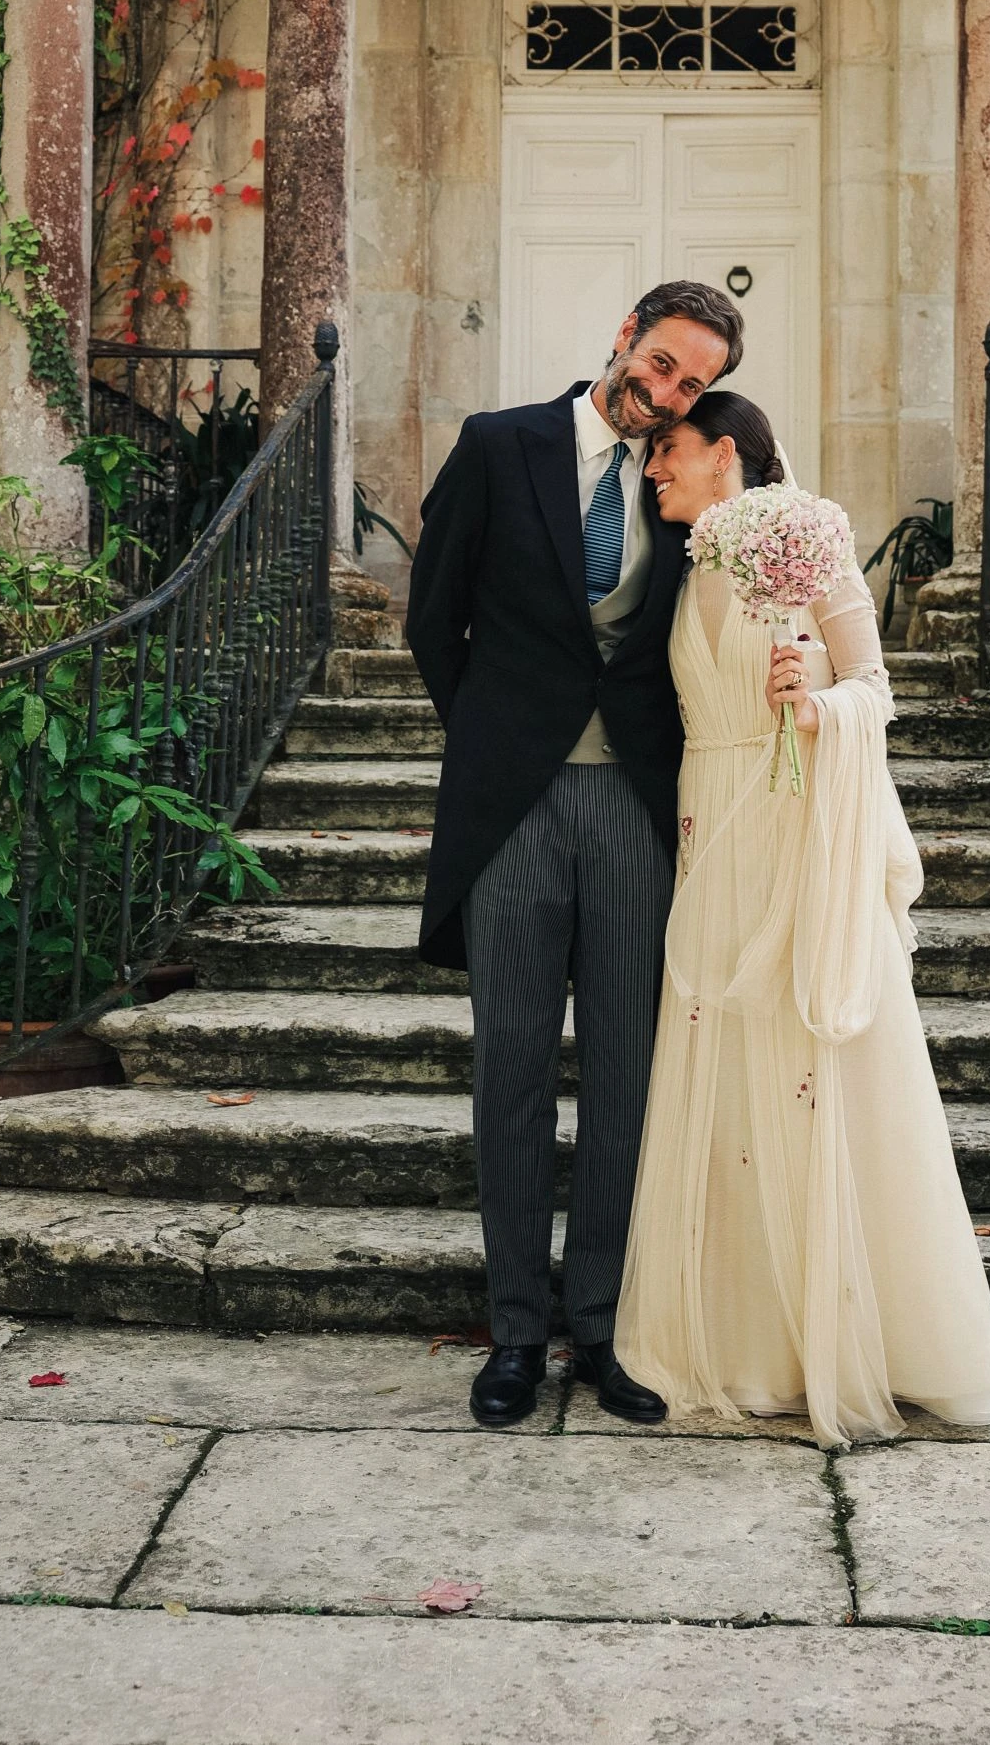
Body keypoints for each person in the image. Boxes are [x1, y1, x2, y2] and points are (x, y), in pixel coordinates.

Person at [615, 390, 990, 1445]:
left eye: (668, 451)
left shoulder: (809, 543)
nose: (653, 471)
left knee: (807, 1067)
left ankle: (843, 1340)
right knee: (720, 1066)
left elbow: (876, 686)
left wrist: (814, 705)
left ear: (724, 454)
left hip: (795, 829)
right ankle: (737, 1341)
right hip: (709, 829)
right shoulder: (684, 565)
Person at [406, 280, 744, 1429]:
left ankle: (599, 1327)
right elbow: (433, 616)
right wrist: (495, 741)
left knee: (626, 1075)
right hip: (514, 808)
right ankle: (514, 1332)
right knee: (508, 1069)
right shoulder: (500, 446)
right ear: (623, 338)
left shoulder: (685, 478)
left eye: (693, 382)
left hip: (638, 810)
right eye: (662, 362)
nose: (668, 391)